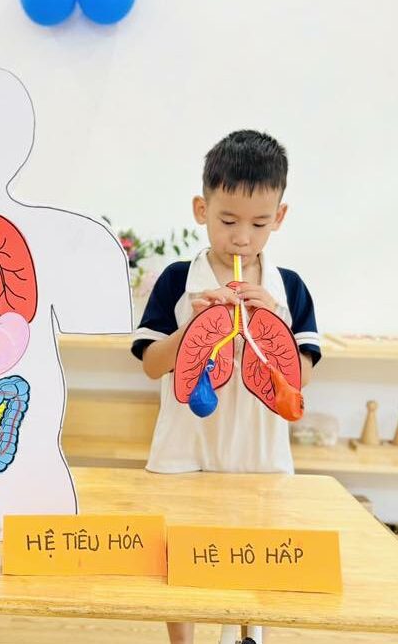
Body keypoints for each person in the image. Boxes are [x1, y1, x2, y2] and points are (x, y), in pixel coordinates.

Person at [131, 130, 321, 644]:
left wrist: (271, 323)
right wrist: (193, 329)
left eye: (259, 224)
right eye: (228, 220)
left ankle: (247, 635)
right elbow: (151, 364)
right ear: (202, 209)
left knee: (257, 554)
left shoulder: (289, 288)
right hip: (184, 447)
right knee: (177, 554)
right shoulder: (177, 279)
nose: (242, 238)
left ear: (279, 217)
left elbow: (300, 379)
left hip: (259, 450)